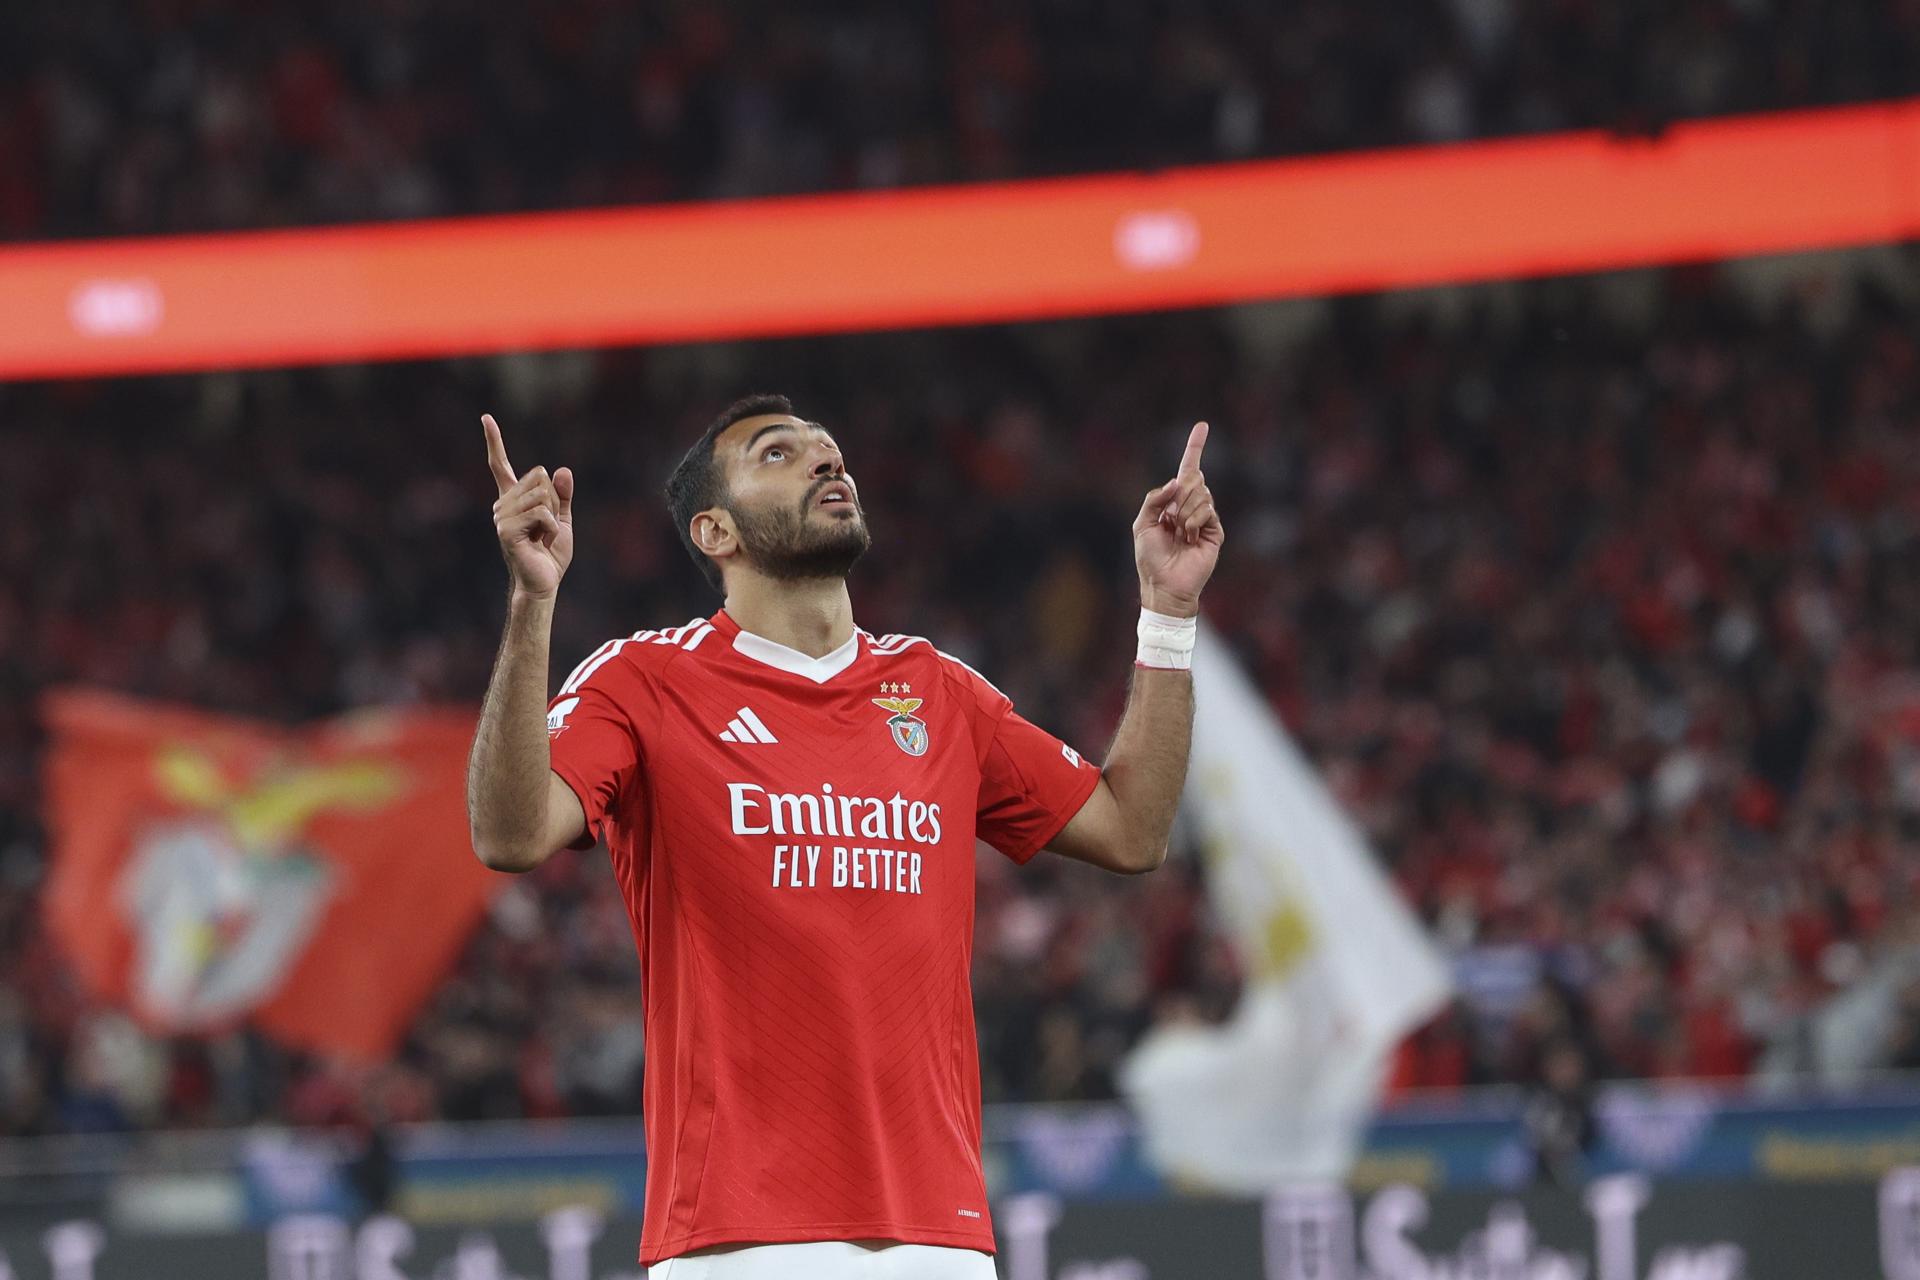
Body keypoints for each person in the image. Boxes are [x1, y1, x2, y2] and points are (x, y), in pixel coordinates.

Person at [466, 394, 1224, 1278]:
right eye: (780, 455)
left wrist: (1168, 613)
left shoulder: (937, 690)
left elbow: (1132, 831)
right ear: (715, 532)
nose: (828, 462)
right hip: (736, 1244)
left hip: (939, 1243)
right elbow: (510, 833)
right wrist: (531, 602)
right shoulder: (647, 680)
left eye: (830, 451)